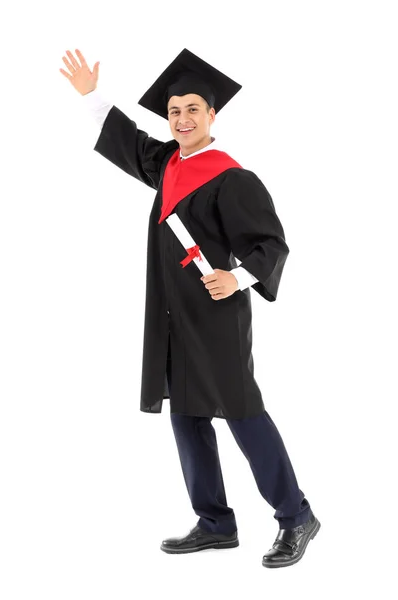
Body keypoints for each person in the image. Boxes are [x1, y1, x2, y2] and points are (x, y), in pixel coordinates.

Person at [59, 47, 320, 568]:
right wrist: (93, 96)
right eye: (174, 111)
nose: (181, 119)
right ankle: (215, 523)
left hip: (217, 312)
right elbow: (129, 142)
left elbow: (271, 244)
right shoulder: (168, 165)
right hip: (172, 314)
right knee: (187, 415)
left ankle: (295, 516)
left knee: (243, 413)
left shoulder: (232, 178)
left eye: (192, 110)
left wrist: (238, 276)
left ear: (212, 115)